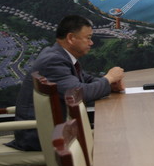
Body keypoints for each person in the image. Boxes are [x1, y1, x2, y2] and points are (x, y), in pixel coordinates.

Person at [8, 15, 125, 151]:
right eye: (88, 38)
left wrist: (110, 85)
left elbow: (86, 80)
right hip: (40, 136)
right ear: (71, 38)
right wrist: (109, 78)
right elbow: (78, 93)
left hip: (55, 128)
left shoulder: (59, 55)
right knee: (115, 140)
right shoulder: (53, 60)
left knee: (114, 135)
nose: (91, 43)